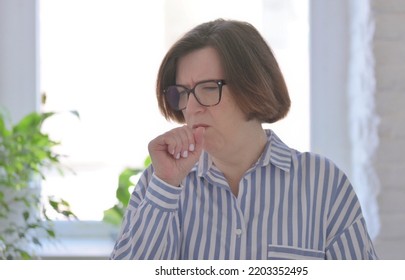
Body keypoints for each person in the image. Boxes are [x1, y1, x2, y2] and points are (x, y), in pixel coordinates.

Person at [110, 18, 377, 260]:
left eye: (207, 88)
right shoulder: (158, 184)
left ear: (253, 88)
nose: (191, 107)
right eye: (182, 93)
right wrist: (166, 186)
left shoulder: (325, 185)